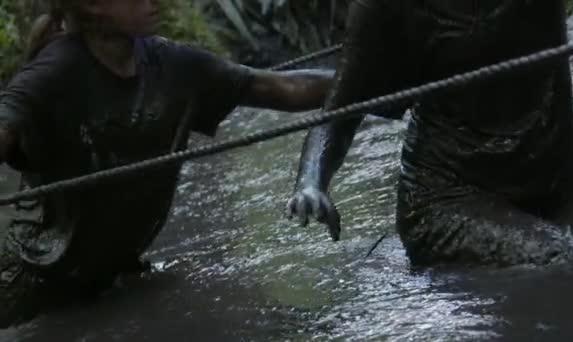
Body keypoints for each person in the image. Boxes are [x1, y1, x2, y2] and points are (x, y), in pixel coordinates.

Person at [0, 0, 333, 328]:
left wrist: (366, 80)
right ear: (94, 6)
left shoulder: (172, 64)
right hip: (31, 284)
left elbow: (285, 88)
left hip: (114, 279)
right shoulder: (54, 71)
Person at [287, 0, 573, 267]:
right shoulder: (385, 6)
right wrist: (311, 183)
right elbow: (341, 110)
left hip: (556, 188)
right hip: (449, 203)